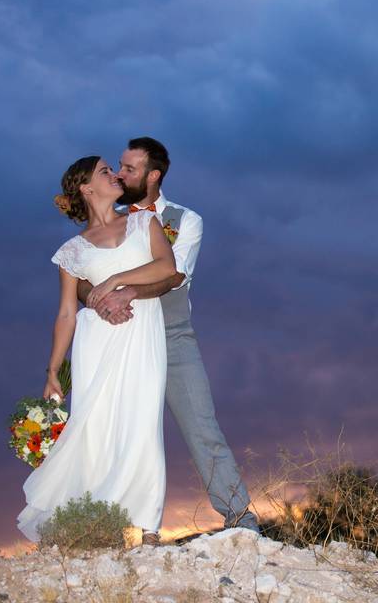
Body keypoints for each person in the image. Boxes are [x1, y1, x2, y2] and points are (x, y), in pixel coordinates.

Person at [76, 137, 261, 541]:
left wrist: (125, 291)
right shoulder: (110, 217)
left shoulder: (185, 220)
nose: (120, 175)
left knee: (201, 425)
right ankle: (112, 527)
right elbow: (79, 273)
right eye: (118, 167)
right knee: (114, 433)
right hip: (120, 339)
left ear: (153, 175)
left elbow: (174, 276)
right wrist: (96, 299)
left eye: (129, 169)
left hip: (172, 336)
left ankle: (239, 518)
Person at [17, 156, 176, 546]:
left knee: (143, 420)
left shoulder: (143, 221)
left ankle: (146, 526)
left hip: (141, 330)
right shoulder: (71, 251)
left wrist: (117, 281)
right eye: (105, 171)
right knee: (97, 427)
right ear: (87, 188)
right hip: (96, 339)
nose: (115, 174)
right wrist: (53, 371)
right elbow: (68, 311)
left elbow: (166, 267)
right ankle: (93, 522)